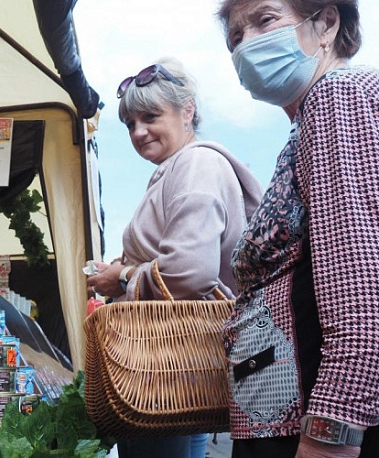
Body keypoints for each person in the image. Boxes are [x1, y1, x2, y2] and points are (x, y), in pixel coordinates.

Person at [215, 1, 379, 457]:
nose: (247, 45)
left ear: (326, 23)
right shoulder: (311, 121)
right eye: (235, 38)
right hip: (279, 413)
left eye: (265, 20)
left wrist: (331, 431)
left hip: (312, 425)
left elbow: (360, 290)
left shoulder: (336, 96)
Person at [85, 57, 263, 458]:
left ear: (188, 111)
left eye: (151, 117)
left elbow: (190, 272)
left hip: (168, 366)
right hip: (179, 364)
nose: (138, 131)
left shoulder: (195, 165)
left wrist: (123, 277)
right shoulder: (177, 168)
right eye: (130, 123)